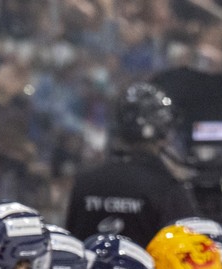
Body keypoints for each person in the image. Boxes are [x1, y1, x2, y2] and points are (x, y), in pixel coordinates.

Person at [64, 83, 198, 246]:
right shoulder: (165, 187)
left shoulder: (84, 182)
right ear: (162, 130)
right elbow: (185, 250)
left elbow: (72, 243)